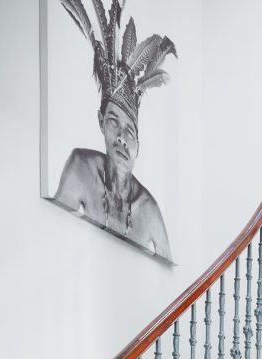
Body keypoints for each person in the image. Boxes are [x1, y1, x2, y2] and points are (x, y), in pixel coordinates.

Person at [54, 1, 176, 261]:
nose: (122, 137)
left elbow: (168, 261)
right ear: (100, 122)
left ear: (138, 146)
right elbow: (54, 239)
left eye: (130, 131)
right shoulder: (81, 167)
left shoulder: (150, 210)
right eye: (113, 121)